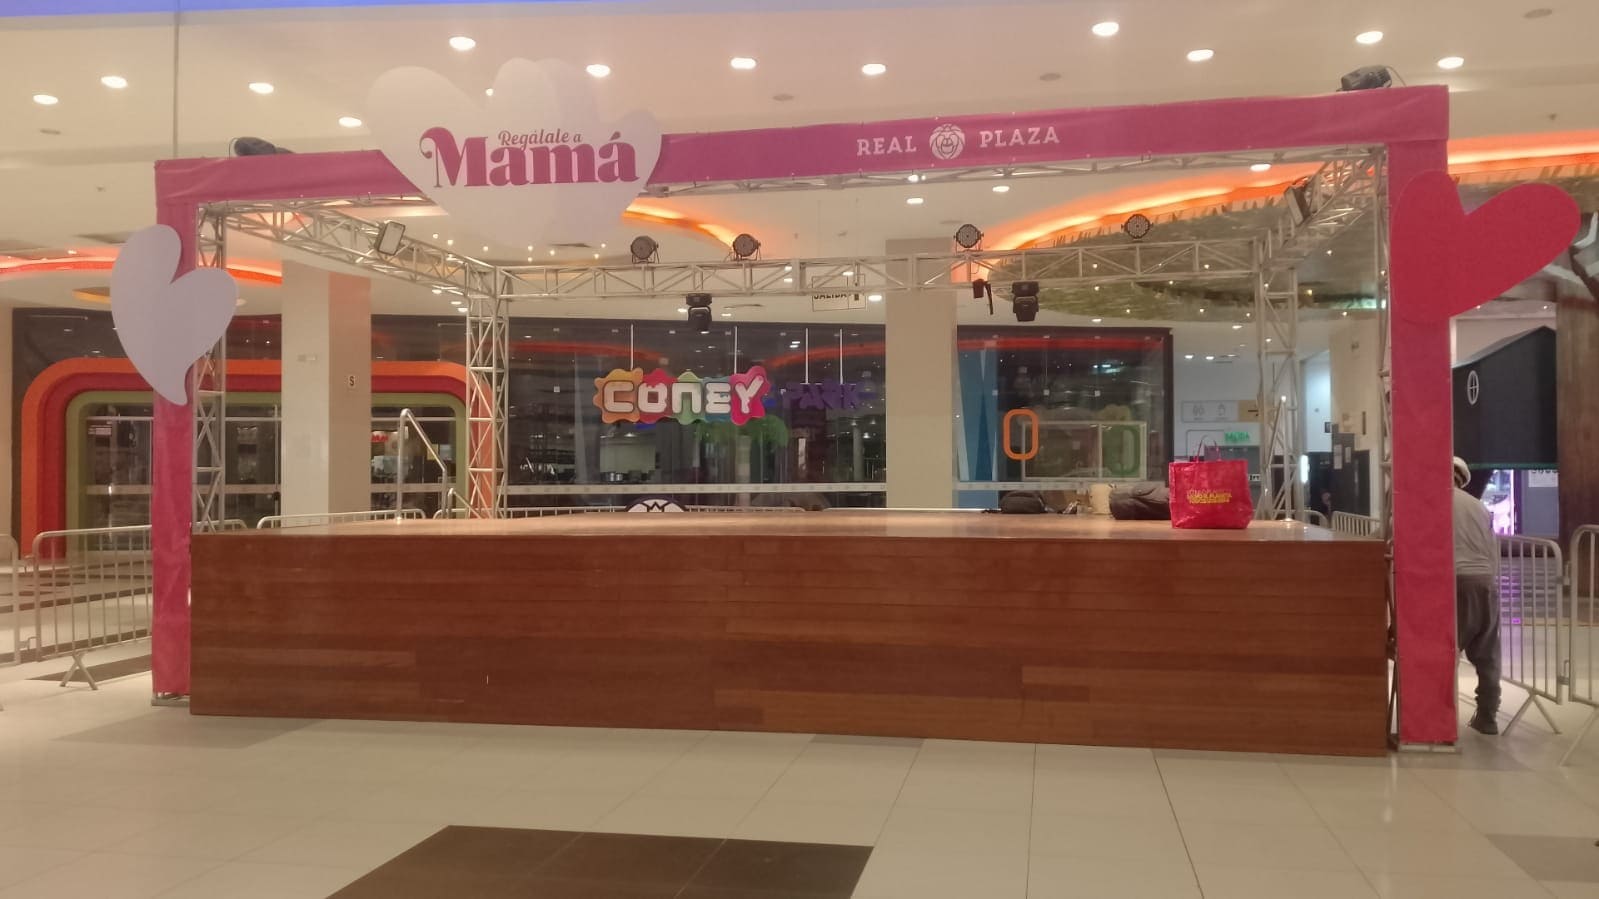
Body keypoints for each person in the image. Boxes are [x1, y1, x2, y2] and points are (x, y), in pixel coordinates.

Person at [1452, 456, 1501, 735]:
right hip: (1485, 582)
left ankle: (1439, 719)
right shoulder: (1478, 506)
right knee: (1487, 654)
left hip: (1452, 581)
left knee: (1444, 651)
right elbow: (1491, 548)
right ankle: (1487, 716)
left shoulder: (1430, 502)